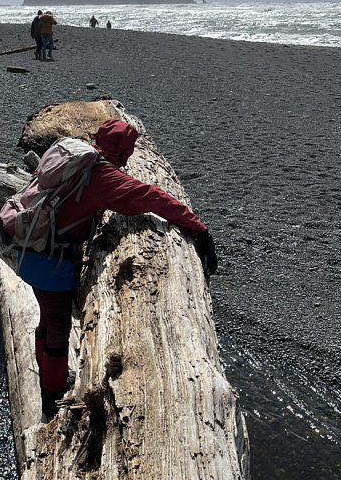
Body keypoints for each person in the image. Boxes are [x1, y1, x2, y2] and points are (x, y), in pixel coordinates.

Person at [15, 119, 217, 411]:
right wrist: (198, 229)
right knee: (58, 326)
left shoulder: (78, 156)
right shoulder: (102, 177)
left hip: (29, 247)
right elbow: (151, 197)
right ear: (125, 151)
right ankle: (52, 396)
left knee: (48, 319)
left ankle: (48, 381)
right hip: (52, 258)